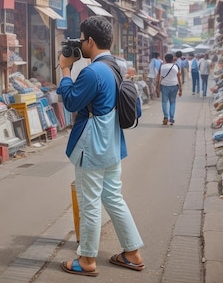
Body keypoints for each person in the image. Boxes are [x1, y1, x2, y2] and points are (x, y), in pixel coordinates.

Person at [56, 16, 144, 277]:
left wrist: (64, 70)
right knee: (113, 198)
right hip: (112, 143)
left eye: (81, 40)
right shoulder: (117, 65)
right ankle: (132, 253)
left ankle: (86, 260)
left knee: (90, 203)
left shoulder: (92, 71)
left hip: (93, 145)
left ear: (90, 41)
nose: (79, 44)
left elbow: (71, 102)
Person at [155, 53, 182, 126]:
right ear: (172, 59)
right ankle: (172, 118)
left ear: (165, 59)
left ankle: (165, 117)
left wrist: (157, 87)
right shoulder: (176, 66)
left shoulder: (162, 67)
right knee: (172, 102)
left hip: (164, 85)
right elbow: (179, 77)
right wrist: (180, 89)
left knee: (164, 102)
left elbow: (158, 78)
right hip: (174, 85)